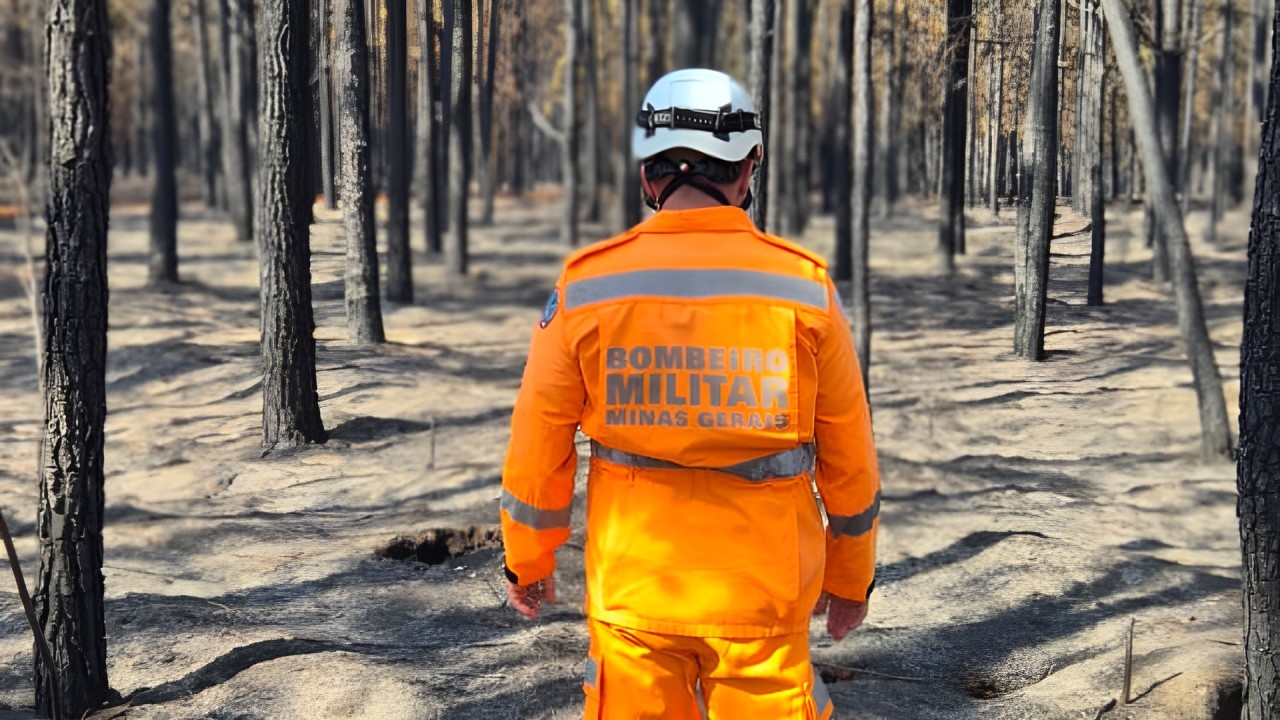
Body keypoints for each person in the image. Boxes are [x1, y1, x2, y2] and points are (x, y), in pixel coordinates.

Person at [499, 68, 880, 719]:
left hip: (635, 592)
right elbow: (849, 452)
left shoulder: (588, 287)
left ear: (647, 174)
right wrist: (850, 579)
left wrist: (527, 560)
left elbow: (540, 439)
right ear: (749, 165)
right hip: (766, 594)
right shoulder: (804, 290)